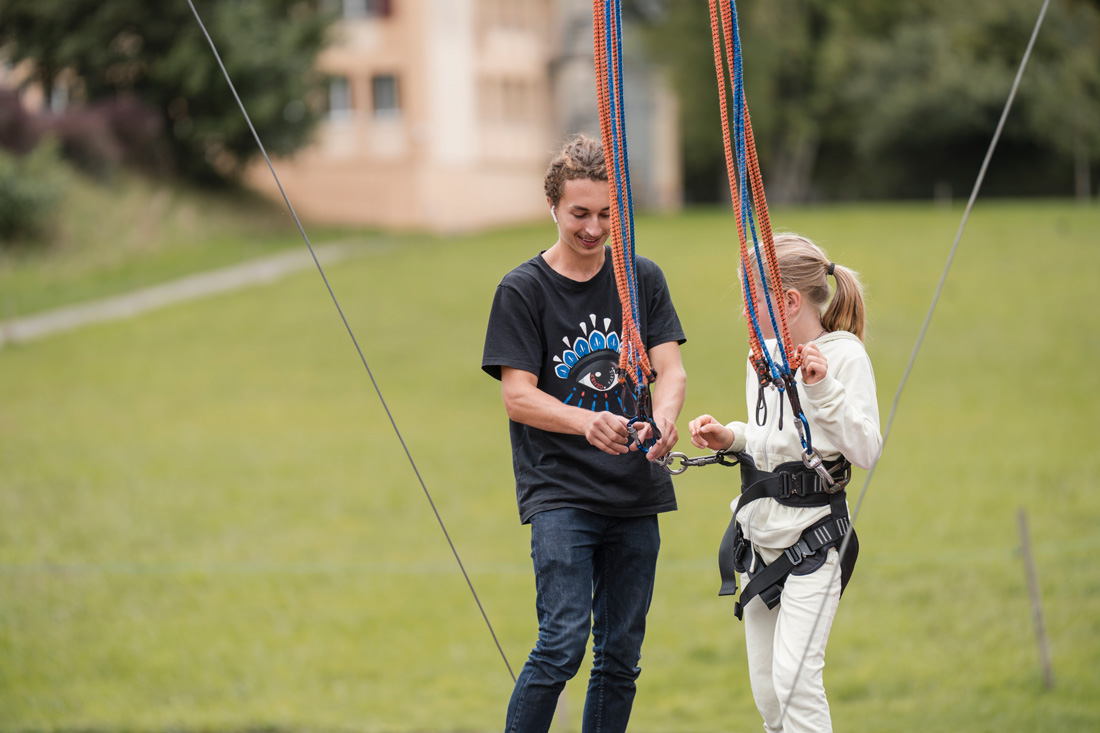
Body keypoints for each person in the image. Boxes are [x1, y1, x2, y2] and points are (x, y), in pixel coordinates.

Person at [481, 134, 687, 733]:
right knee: (563, 642)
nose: (594, 228)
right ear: (553, 207)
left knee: (620, 658)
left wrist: (667, 416)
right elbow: (517, 395)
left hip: (634, 491)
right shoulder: (523, 290)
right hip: (561, 493)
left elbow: (669, 369)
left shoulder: (641, 280)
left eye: (605, 214)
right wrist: (584, 421)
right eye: (580, 214)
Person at [687, 233, 882, 732]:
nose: (745, 313)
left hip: (814, 540)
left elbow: (865, 449)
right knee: (770, 695)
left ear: (789, 301)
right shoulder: (763, 356)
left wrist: (821, 389)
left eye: (752, 299)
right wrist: (731, 437)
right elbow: (775, 442)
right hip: (760, 540)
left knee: (796, 681)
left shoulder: (843, 358)